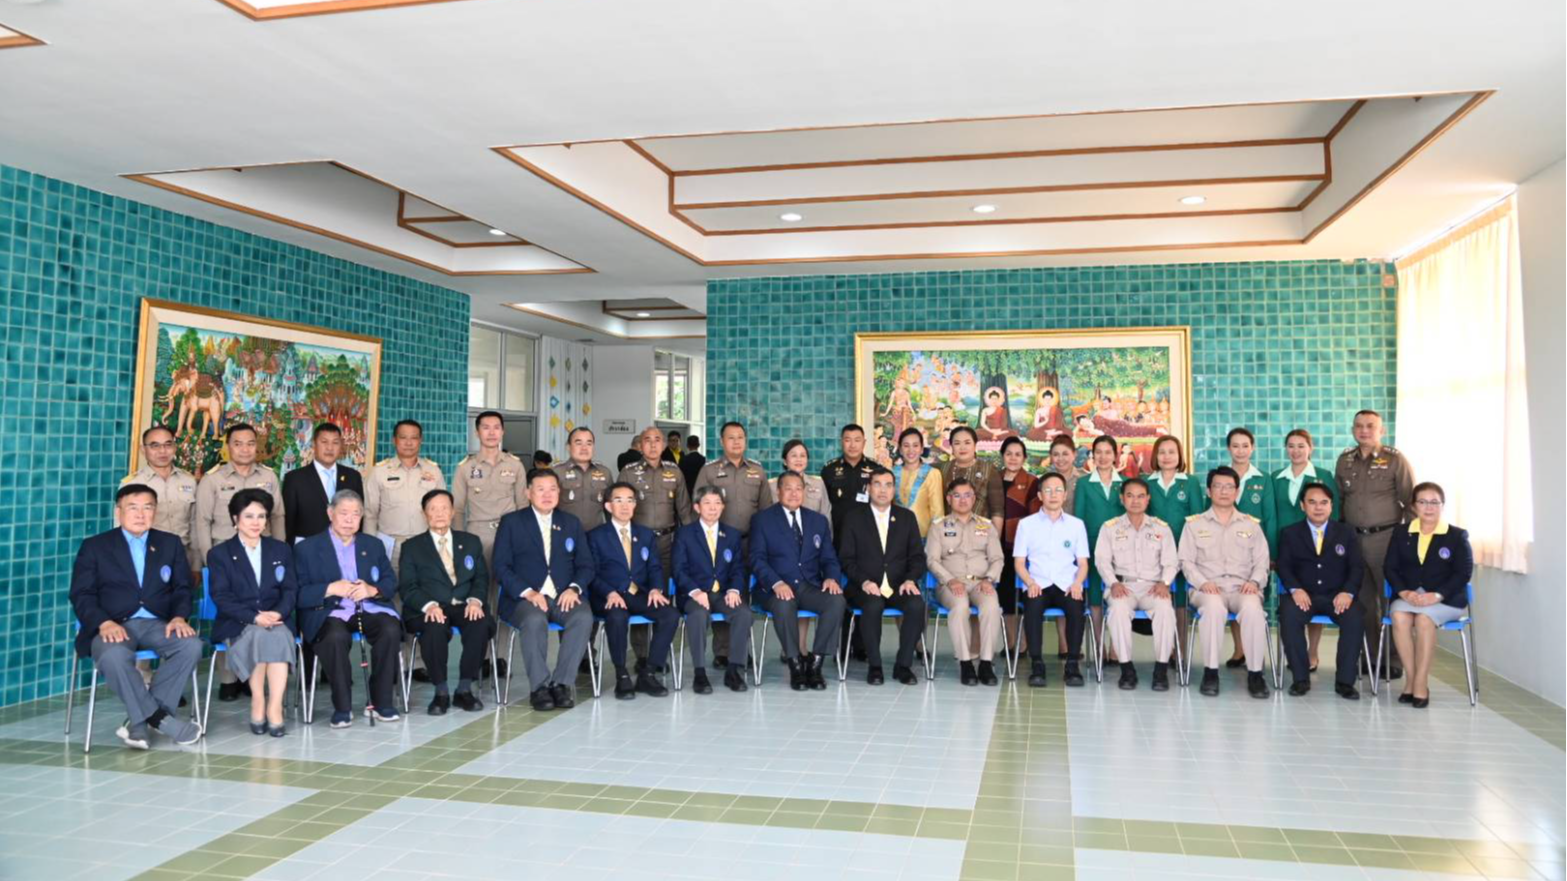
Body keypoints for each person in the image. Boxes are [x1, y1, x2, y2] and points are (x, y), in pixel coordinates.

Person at [70, 484, 204, 749]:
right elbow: (81, 594)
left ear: (155, 511)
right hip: (112, 624)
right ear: (118, 511)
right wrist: (103, 622)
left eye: (148, 507)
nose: (141, 514)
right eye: (133, 507)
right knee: (113, 655)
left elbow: (182, 588)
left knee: (191, 646)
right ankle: (159, 720)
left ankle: (139, 723)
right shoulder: (95, 546)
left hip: (158, 623)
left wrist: (179, 617)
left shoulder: (169, 543)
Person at [294, 489, 403, 727]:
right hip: (329, 610)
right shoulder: (307, 548)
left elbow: (390, 582)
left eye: (355, 514)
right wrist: (331, 588)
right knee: (334, 636)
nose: (349, 519)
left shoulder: (373, 545)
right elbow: (298, 594)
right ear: (330, 513)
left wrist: (372, 590)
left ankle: (380, 702)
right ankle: (342, 706)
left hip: (369, 607)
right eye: (343, 513)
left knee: (391, 629)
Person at [194, 423, 286, 702]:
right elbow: (202, 521)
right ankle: (228, 678)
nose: (244, 449)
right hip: (225, 558)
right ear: (228, 446)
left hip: (262, 555)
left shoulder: (269, 477)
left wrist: (281, 555)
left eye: (250, 443)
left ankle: (252, 675)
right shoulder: (212, 479)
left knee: (261, 611)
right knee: (230, 614)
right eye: (238, 443)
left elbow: (278, 517)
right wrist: (208, 561)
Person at [493, 469, 595, 711]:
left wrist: (573, 588)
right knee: (535, 619)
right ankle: (539, 687)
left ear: (559, 492)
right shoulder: (512, 522)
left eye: (552, 489)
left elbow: (586, 565)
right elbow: (501, 566)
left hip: (563, 596)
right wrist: (528, 592)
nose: (547, 494)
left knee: (582, 616)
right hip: (523, 599)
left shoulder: (571, 523)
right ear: (528, 492)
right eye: (540, 489)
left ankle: (561, 684)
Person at [207, 489, 298, 735]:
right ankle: (258, 700)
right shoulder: (220, 554)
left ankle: (275, 706)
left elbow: (290, 590)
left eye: (261, 516)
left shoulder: (280, 550)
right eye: (249, 516)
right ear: (235, 519)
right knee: (261, 634)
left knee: (276, 634)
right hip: (238, 621)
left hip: (276, 620)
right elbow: (221, 597)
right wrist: (255, 617)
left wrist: (278, 614)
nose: (256, 522)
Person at [397, 489, 494, 714]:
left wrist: (475, 601)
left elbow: (481, 578)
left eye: (444, 508)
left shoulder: (471, 542)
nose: (439, 513)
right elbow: (407, 587)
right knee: (434, 627)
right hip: (428, 607)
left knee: (480, 623)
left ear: (452, 512)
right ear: (425, 514)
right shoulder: (412, 547)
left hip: (463, 604)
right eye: (433, 509)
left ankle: (464, 689)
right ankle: (440, 691)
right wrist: (429, 606)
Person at [1335, 409, 1414, 681]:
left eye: (1370, 426)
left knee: (1389, 600)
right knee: (1364, 603)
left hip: (1387, 539)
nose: (1364, 430)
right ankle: (1370, 657)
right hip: (1354, 540)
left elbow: (1410, 501)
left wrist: (1407, 541)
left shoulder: (1394, 459)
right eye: (1359, 426)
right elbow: (1340, 502)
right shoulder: (1345, 461)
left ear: (1381, 431)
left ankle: (1392, 659)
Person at [749, 471, 847, 691]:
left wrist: (831, 577)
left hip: (809, 586)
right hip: (773, 588)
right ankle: (795, 665)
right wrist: (776, 583)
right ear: (778, 491)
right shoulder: (762, 520)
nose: (794, 493)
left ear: (804, 491)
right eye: (788, 488)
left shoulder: (818, 521)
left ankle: (815, 663)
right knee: (783, 605)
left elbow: (829, 557)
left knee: (836, 601)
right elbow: (756, 559)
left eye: (798, 488)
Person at [1179, 467, 1271, 698]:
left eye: (1229, 487)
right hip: (1208, 588)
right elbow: (1186, 562)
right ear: (1209, 491)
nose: (1223, 491)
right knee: (1213, 608)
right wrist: (1201, 582)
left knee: (1252, 609)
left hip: (1243, 588)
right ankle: (1211, 672)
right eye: (1218, 486)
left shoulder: (1251, 525)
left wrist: (1255, 582)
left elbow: (1262, 562)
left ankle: (1255, 674)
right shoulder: (1194, 524)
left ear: (1237, 492)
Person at [587, 482, 678, 699]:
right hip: (608, 596)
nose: (625, 505)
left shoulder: (645, 534)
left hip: (638, 594)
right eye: (619, 500)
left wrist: (656, 589)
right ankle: (622, 675)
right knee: (617, 617)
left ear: (635, 505)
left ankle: (648, 673)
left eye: (630, 500)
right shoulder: (595, 536)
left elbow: (654, 567)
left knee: (670, 614)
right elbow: (590, 573)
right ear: (609, 506)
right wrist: (609, 592)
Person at [837, 471, 928, 685]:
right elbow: (846, 559)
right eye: (877, 484)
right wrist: (864, 582)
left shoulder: (906, 517)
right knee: (873, 605)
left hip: (898, 585)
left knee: (916, 605)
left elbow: (917, 557)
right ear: (868, 488)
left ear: (894, 490)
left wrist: (910, 580)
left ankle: (903, 665)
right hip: (864, 585)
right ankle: (875, 666)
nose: (883, 489)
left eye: (888, 485)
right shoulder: (853, 518)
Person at [1386, 482, 1472, 708]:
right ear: (1414, 506)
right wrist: (1403, 592)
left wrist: (1438, 595)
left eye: (1434, 502)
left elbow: (1463, 573)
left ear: (1442, 506)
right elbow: (1390, 567)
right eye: (1422, 502)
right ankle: (1411, 679)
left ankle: (1421, 682)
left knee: (1424, 619)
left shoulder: (1456, 536)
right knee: (1399, 617)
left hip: (1446, 600)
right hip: (1409, 597)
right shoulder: (1401, 532)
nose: (1429, 507)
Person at [693, 422, 772, 668]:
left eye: (740, 437)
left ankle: (740, 650)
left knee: (741, 597)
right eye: (731, 438)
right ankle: (722, 651)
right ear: (722, 441)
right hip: (717, 544)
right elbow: (700, 506)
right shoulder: (709, 471)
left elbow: (766, 510)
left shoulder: (757, 471)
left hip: (749, 543)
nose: (736, 442)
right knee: (718, 591)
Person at [1275, 482, 1364, 699]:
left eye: (1324, 502)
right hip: (1303, 595)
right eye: (1312, 502)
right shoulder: (1290, 533)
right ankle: (1300, 678)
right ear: (1303, 506)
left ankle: (1345, 682)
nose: (1318, 507)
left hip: (1337, 596)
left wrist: (1348, 592)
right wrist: (1295, 589)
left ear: (1331, 506)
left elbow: (1357, 567)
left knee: (1355, 617)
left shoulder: (1346, 532)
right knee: (1289, 616)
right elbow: (1284, 566)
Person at [1094, 478, 1179, 692]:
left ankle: (1160, 670)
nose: (1135, 501)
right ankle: (1126, 668)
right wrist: (1112, 583)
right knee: (1119, 609)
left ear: (1148, 499)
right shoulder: (1110, 528)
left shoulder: (1162, 528)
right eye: (1130, 496)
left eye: (1141, 496)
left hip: (1153, 587)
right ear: (1122, 499)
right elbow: (1102, 560)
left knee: (1165, 610)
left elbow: (1171, 561)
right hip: (1123, 586)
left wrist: (1165, 582)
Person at [672, 486, 753, 693]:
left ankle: (734, 670)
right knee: (698, 615)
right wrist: (696, 592)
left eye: (717, 503)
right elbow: (679, 570)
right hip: (694, 594)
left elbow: (737, 568)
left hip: (723, 593)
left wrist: (734, 589)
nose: (713, 508)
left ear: (723, 507)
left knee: (743, 613)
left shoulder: (732, 535)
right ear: (697, 507)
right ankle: (700, 673)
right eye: (707, 503)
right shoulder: (685, 534)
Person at [1273, 428, 1341, 671]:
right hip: (1288, 550)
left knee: (1315, 596)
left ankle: (1312, 653)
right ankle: (1296, 653)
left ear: (1310, 448)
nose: (1296, 450)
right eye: (1291, 446)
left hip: (1318, 549)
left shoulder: (1323, 476)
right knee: (1293, 603)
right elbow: (1273, 516)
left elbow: (1336, 513)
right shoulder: (1276, 478)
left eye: (1301, 445)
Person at [1013, 472, 1089, 687]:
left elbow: (1083, 563)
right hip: (1038, 583)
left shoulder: (1076, 525)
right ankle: (1037, 664)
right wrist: (1030, 583)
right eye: (1047, 490)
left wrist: (1077, 583)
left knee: (1076, 608)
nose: (1053, 495)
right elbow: (1019, 562)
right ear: (1039, 495)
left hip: (1067, 584)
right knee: (1033, 606)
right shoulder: (1026, 524)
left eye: (1058, 490)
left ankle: (1072, 664)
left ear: (1065, 495)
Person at [925, 478, 1004, 686]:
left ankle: (986, 663)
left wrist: (989, 579)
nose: (963, 500)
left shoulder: (986, 526)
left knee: (991, 607)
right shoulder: (938, 526)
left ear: (974, 498)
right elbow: (932, 560)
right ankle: (966, 662)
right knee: (960, 606)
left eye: (968, 495)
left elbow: (997, 558)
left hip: (981, 582)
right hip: (951, 585)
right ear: (949, 499)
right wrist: (950, 580)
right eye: (957, 495)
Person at [1222, 427, 1276, 669]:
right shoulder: (1221, 477)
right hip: (1225, 552)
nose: (1240, 450)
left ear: (1252, 448)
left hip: (1255, 552)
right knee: (1232, 595)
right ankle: (1239, 649)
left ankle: (1254, 651)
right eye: (1235, 446)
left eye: (1245, 445)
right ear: (1228, 449)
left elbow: (1271, 517)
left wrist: (1271, 553)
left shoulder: (1263, 479)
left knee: (1253, 600)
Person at [363, 419, 446, 572]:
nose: (409, 443)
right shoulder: (379, 472)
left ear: (420, 440)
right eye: (403, 437)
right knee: (390, 591)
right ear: (394, 440)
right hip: (391, 546)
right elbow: (370, 514)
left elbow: (444, 512)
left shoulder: (433, 471)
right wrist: (370, 549)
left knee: (425, 592)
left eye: (414, 438)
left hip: (425, 544)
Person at [120, 426, 198, 576]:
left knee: (183, 599)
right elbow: (122, 530)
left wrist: (195, 564)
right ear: (144, 450)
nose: (162, 451)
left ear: (175, 447)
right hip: (146, 560)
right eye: (155, 445)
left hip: (183, 559)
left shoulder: (189, 480)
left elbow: (194, 525)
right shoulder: (131, 484)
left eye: (168, 445)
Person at [452, 411, 527, 568]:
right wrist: (459, 539)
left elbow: (522, 505)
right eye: (486, 427)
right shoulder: (465, 468)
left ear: (502, 432)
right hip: (478, 533)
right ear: (477, 432)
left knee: (507, 583)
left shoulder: (515, 465)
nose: (491, 433)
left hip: (509, 531)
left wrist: (522, 534)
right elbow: (457, 509)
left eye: (496, 428)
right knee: (480, 583)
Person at [1074, 435, 1125, 660]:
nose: (1103, 457)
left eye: (1108, 452)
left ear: (1115, 455)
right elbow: (1078, 519)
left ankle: (1116, 646)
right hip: (1092, 547)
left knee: (1119, 596)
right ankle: (1098, 646)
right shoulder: (1084, 483)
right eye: (1099, 452)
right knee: (1094, 597)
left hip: (1122, 549)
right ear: (1092, 456)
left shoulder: (1125, 483)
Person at [618, 426, 692, 580]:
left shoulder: (675, 471)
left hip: (668, 542)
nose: (653, 445)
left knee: (664, 586)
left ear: (664, 445)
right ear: (640, 445)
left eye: (657, 440)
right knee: (637, 588)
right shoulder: (628, 472)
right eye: (647, 440)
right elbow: (618, 510)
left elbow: (684, 509)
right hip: (636, 540)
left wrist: (691, 540)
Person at [282, 422, 363, 546]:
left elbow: (359, 516)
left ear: (341, 446)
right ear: (314, 445)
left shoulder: (353, 477)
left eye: (335, 443)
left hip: (345, 547)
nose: (330, 448)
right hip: (307, 550)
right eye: (324, 442)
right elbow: (288, 522)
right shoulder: (294, 479)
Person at [821, 423, 889, 538]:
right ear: (841, 442)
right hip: (838, 535)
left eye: (857, 440)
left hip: (870, 535)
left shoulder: (876, 469)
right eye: (848, 440)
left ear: (864, 442)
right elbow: (824, 505)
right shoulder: (829, 470)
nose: (852, 445)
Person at [553, 426, 615, 530]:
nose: (584, 448)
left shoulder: (604, 473)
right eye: (578, 443)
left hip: (596, 535)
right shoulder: (556, 472)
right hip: (565, 534)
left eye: (589, 443)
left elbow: (611, 507)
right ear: (568, 447)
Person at [939, 426, 1003, 528]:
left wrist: (995, 541)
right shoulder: (942, 470)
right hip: (949, 533)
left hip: (980, 534)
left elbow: (997, 511)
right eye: (957, 443)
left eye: (967, 443)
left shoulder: (989, 470)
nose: (962, 447)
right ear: (951, 447)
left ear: (975, 445)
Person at [892, 428, 944, 535]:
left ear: (921, 449)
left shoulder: (932, 473)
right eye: (906, 446)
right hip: (896, 535)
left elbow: (937, 511)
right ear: (900, 449)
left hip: (924, 537)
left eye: (915, 445)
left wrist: (937, 540)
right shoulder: (892, 473)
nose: (911, 450)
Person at [773, 439, 833, 528]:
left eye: (802, 456)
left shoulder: (818, 483)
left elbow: (826, 515)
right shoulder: (773, 485)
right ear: (785, 461)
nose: (799, 459)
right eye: (794, 456)